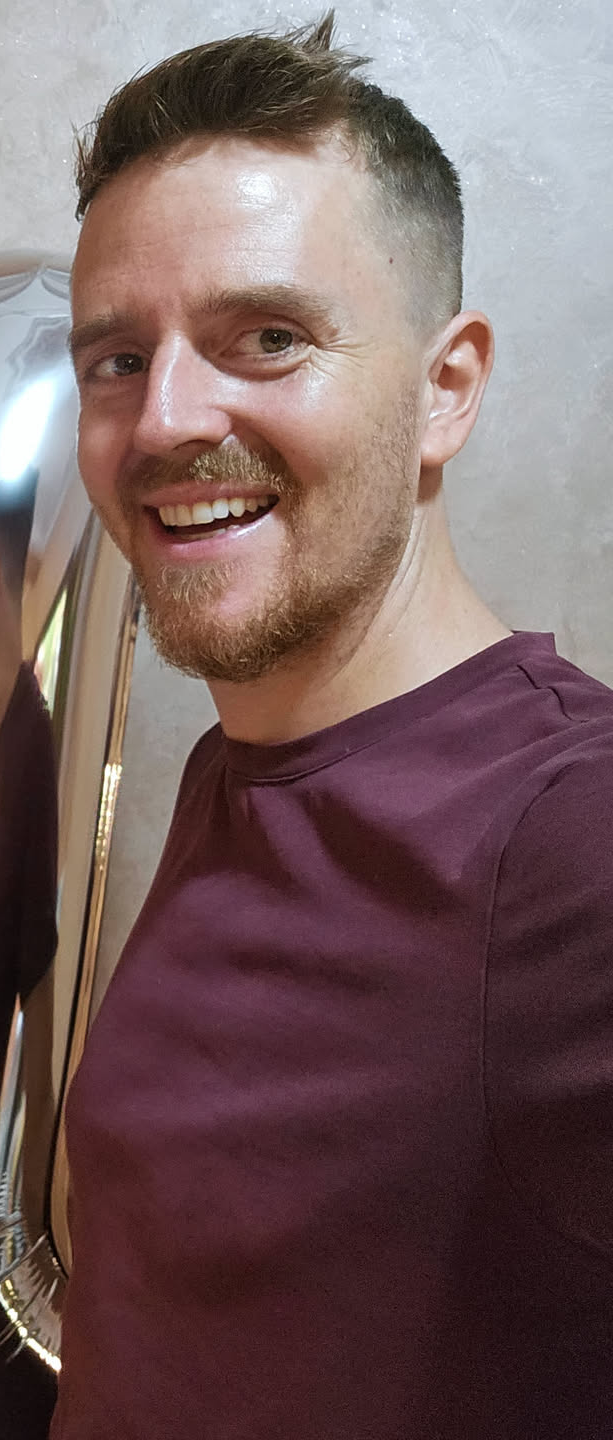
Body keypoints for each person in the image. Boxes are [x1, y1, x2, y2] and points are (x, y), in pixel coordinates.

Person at [55, 15, 613, 1438]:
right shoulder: (238, 765)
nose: (164, 420)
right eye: (116, 359)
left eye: (270, 338)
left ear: (445, 390)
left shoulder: (574, 841)